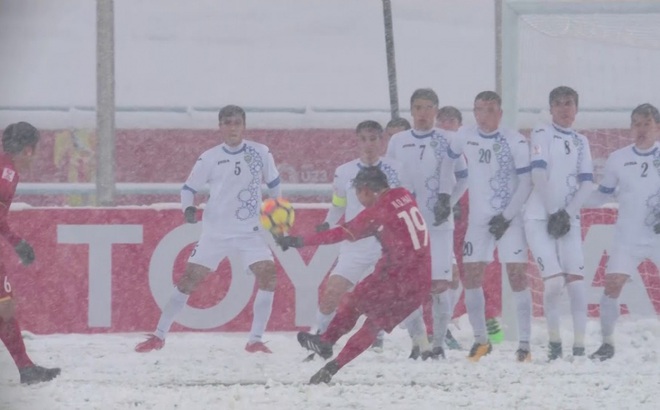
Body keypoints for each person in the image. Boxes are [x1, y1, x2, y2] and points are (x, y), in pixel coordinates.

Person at [135, 105, 282, 354]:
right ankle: (159, 335)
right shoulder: (210, 157)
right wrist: (188, 209)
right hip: (217, 231)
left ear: (244, 125)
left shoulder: (260, 152)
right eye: (227, 122)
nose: (232, 127)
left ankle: (255, 340)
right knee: (188, 281)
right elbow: (188, 189)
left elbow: (275, 185)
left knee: (269, 276)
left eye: (236, 122)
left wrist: (276, 218)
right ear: (220, 126)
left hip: (250, 231)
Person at [276, 166, 432, 384]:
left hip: (396, 273)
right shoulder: (403, 194)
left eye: (358, 192)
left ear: (366, 190)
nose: (358, 198)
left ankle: (327, 341)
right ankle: (333, 366)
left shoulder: (377, 212)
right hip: (421, 277)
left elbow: (341, 233)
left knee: (354, 303)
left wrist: (299, 241)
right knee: (373, 324)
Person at [310, 120, 424, 356]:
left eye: (373, 139)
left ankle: (420, 343)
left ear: (381, 141)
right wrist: (327, 223)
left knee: (404, 298)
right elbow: (339, 205)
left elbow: (410, 203)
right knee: (332, 291)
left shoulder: (398, 169)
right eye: (364, 139)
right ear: (357, 141)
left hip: (389, 248)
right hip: (355, 247)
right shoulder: (344, 172)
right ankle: (318, 343)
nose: (369, 144)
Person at [444, 91, 533, 362]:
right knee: (471, 276)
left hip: (509, 220)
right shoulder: (464, 135)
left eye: (490, 110)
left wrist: (506, 216)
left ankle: (525, 346)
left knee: (517, 276)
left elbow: (527, 182)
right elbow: (448, 163)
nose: (484, 116)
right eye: (479, 110)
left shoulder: (514, 140)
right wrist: (451, 196)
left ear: (500, 113)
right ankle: (481, 341)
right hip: (479, 221)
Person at [386, 88, 468, 359]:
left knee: (440, 287)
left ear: (436, 110)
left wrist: (450, 203)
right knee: (410, 286)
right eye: (418, 108)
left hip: (438, 224)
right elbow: (390, 180)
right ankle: (418, 342)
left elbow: (464, 176)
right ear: (411, 111)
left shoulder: (449, 140)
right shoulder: (398, 141)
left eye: (428, 108)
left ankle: (439, 344)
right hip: (408, 225)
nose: (423, 113)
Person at [524, 86, 594, 361]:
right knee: (553, 284)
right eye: (559, 104)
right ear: (551, 109)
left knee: (577, 283)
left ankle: (579, 346)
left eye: (569, 104)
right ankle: (554, 342)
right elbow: (538, 174)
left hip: (567, 220)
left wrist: (567, 213)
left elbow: (587, 183)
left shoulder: (582, 141)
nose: (565, 109)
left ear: (576, 109)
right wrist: (554, 210)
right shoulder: (542, 133)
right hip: (539, 217)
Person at [587, 103, 660, 361]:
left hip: (657, 236)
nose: (641, 130)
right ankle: (607, 343)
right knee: (612, 285)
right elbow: (603, 194)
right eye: (636, 124)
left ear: (658, 128)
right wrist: (573, 202)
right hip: (628, 237)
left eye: (647, 124)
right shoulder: (618, 158)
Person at [435, 106, 504, 349]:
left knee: (476, 270)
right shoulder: (434, 146)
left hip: (471, 215)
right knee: (447, 275)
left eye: (451, 120)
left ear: (459, 124)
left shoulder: (470, 144)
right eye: (442, 120)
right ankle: (440, 326)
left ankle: (488, 317)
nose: (446, 125)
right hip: (441, 218)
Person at [0, 122, 61, 384]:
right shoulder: (7, 174)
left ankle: (25, 368)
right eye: (35, 151)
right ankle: (25, 368)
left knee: (6, 307)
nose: (34, 157)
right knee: (6, 307)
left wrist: (16, 241)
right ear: (27, 150)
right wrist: (16, 242)